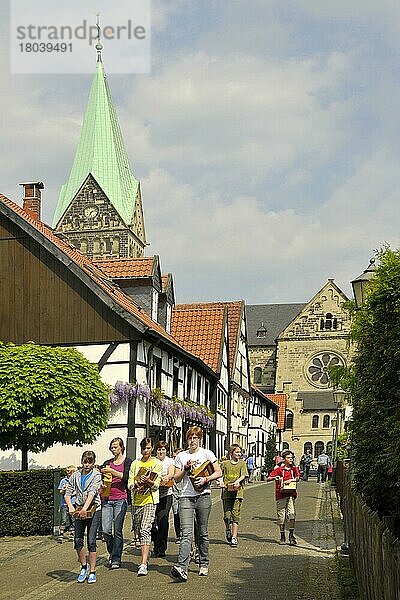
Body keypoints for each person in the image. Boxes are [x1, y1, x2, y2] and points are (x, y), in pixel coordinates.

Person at [171, 426, 222, 582]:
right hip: (185, 496)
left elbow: (218, 472)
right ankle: (182, 567)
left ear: (200, 439)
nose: (192, 440)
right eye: (190, 438)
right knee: (186, 533)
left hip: (203, 496)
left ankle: (204, 562)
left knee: (202, 532)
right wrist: (185, 469)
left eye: (195, 438)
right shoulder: (181, 456)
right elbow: (176, 478)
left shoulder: (207, 454)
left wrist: (206, 479)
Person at [65, 450, 102, 584]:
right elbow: (68, 492)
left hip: (93, 509)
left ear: (93, 463)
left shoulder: (97, 475)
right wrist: (70, 506)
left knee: (91, 541)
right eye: (85, 462)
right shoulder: (75, 475)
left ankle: (92, 571)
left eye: (90, 462)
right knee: (78, 540)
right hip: (79, 508)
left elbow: (92, 492)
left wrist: (85, 509)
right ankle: (83, 567)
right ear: (82, 462)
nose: (87, 465)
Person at [128, 437, 162, 577]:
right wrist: (135, 484)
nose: (145, 451)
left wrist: (149, 480)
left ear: (152, 448)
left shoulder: (157, 463)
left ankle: (143, 563)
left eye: (148, 448)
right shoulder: (135, 463)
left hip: (150, 500)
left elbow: (157, 483)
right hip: (137, 500)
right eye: (143, 448)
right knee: (138, 529)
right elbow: (130, 482)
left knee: (144, 529)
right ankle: (145, 555)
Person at [101, 437, 133, 569]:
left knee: (117, 530)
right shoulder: (107, 462)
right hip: (107, 499)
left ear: (121, 448)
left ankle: (116, 558)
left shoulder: (128, 462)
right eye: (112, 447)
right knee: (106, 530)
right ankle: (112, 552)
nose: (113, 449)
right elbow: (102, 480)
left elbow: (127, 477)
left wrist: (113, 472)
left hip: (121, 498)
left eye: (116, 447)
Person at [267, 449, 300, 546]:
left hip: (291, 495)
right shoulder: (279, 470)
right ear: (284, 459)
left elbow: (298, 478)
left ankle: (291, 535)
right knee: (281, 516)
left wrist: (290, 480)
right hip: (280, 495)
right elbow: (268, 478)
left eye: (292, 458)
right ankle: (282, 536)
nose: (291, 459)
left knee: (292, 514)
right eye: (289, 458)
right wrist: (275, 478)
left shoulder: (294, 469)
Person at [220, 444, 247, 547]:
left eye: (240, 452)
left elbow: (243, 475)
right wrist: (220, 482)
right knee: (227, 516)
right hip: (226, 493)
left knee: (235, 515)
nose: (239, 454)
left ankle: (234, 537)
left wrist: (238, 481)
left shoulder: (242, 463)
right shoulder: (225, 464)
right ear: (231, 453)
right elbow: (219, 474)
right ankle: (228, 529)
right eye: (237, 452)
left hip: (238, 493)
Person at [151, 441, 175, 557]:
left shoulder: (170, 461)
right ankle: (155, 542)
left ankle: (161, 548)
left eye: (163, 450)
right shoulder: (152, 461)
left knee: (163, 521)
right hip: (152, 495)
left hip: (166, 495)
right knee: (151, 523)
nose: (161, 452)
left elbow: (171, 473)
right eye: (159, 449)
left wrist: (166, 477)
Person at [57, 465, 77, 543]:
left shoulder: (76, 480)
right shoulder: (63, 480)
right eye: (68, 472)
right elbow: (60, 491)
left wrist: (71, 494)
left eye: (71, 472)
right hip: (64, 503)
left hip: (73, 502)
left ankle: (72, 534)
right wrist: (63, 490)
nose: (69, 474)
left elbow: (77, 491)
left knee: (73, 519)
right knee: (64, 519)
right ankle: (61, 534)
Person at [172, 447, 184, 544]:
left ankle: (184, 534)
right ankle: (178, 535)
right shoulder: (172, 466)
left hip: (184, 493)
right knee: (176, 514)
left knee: (183, 515)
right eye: (174, 457)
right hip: (174, 493)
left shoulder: (185, 466)